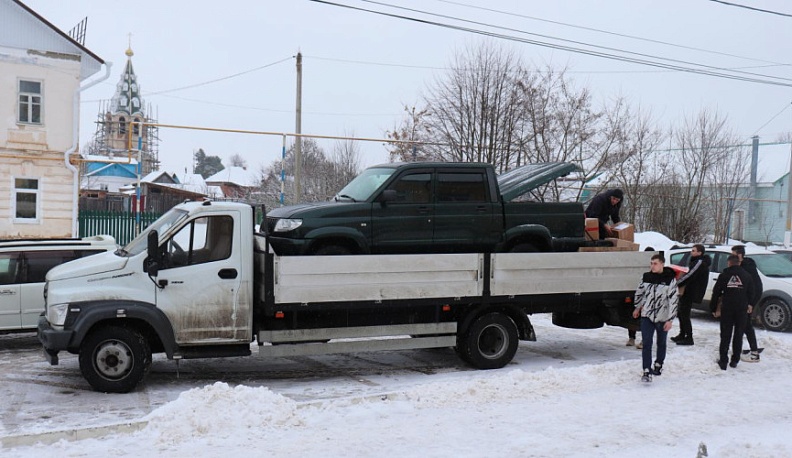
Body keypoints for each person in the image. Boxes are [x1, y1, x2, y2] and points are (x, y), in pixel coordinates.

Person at [632, 253, 678, 382]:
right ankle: (646, 370)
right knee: (647, 342)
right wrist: (637, 307)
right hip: (647, 315)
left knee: (661, 342)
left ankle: (658, 364)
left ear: (662, 264)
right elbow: (640, 293)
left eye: (655, 264)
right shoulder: (646, 277)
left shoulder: (670, 280)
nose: (652, 266)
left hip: (662, 316)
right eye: (651, 263)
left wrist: (670, 319)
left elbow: (673, 300)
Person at [710, 254, 754, 370]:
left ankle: (723, 360)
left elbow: (716, 292)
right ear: (739, 263)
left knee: (725, 334)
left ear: (729, 263)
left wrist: (713, 308)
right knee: (739, 334)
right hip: (741, 309)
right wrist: (750, 304)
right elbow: (751, 292)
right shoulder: (747, 275)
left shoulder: (724, 275)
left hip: (727, 308)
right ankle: (735, 360)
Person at [671, 244, 711, 346]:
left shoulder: (699, 262)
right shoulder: (695, 261)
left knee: (684, 314)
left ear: (699, 253)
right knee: (681, 312)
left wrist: (677, 283)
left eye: (693, 251)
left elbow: (690, 275)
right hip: (688, 290)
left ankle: (689, 337)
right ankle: (682, 334)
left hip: (692, 291)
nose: (691, 252)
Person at [732, 245, 763, 362]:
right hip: (742, 300)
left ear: (740, 255)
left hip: (749, 300)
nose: (731, 257)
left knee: (746, 325)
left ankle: (754, 353)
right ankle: (738, 349)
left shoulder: (748, 268)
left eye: (733, 254)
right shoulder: (740, 266)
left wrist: (751, 303)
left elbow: (754, 287)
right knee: (741, 324)